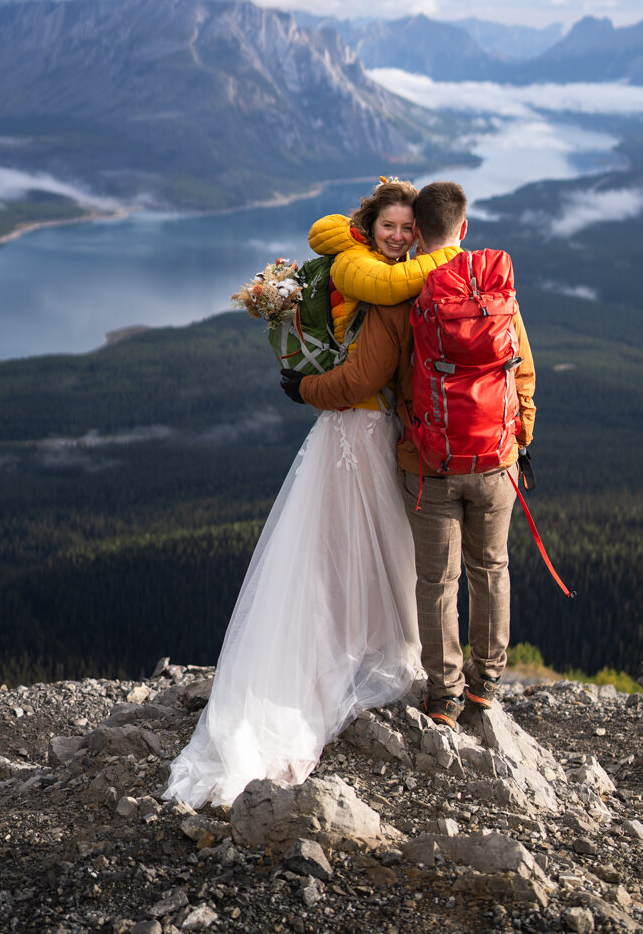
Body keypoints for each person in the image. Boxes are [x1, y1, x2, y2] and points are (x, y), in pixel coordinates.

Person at [163, 179, 461, 808]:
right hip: (362, 427)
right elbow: (365, 366)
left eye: (410, 228)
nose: (402, 236)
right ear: (370, 226)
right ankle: (353, 651)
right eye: (392, 227)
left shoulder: (387, 269)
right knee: (351, 544)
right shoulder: (368, 274)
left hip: (369, 428)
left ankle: (364, 643)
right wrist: (453, 251)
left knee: (363, 542)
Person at [289, 181, 536, 732]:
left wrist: (305, 389)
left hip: (428, 466)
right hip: (496, 462)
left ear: (417, 234)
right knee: (491, 568)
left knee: (437, 581)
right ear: (463, 230)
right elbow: (522, 368)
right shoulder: (495, 288)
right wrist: (519, 441)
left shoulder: (402, 297)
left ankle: (443, 697)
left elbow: (363, 378)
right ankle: (487, 687)